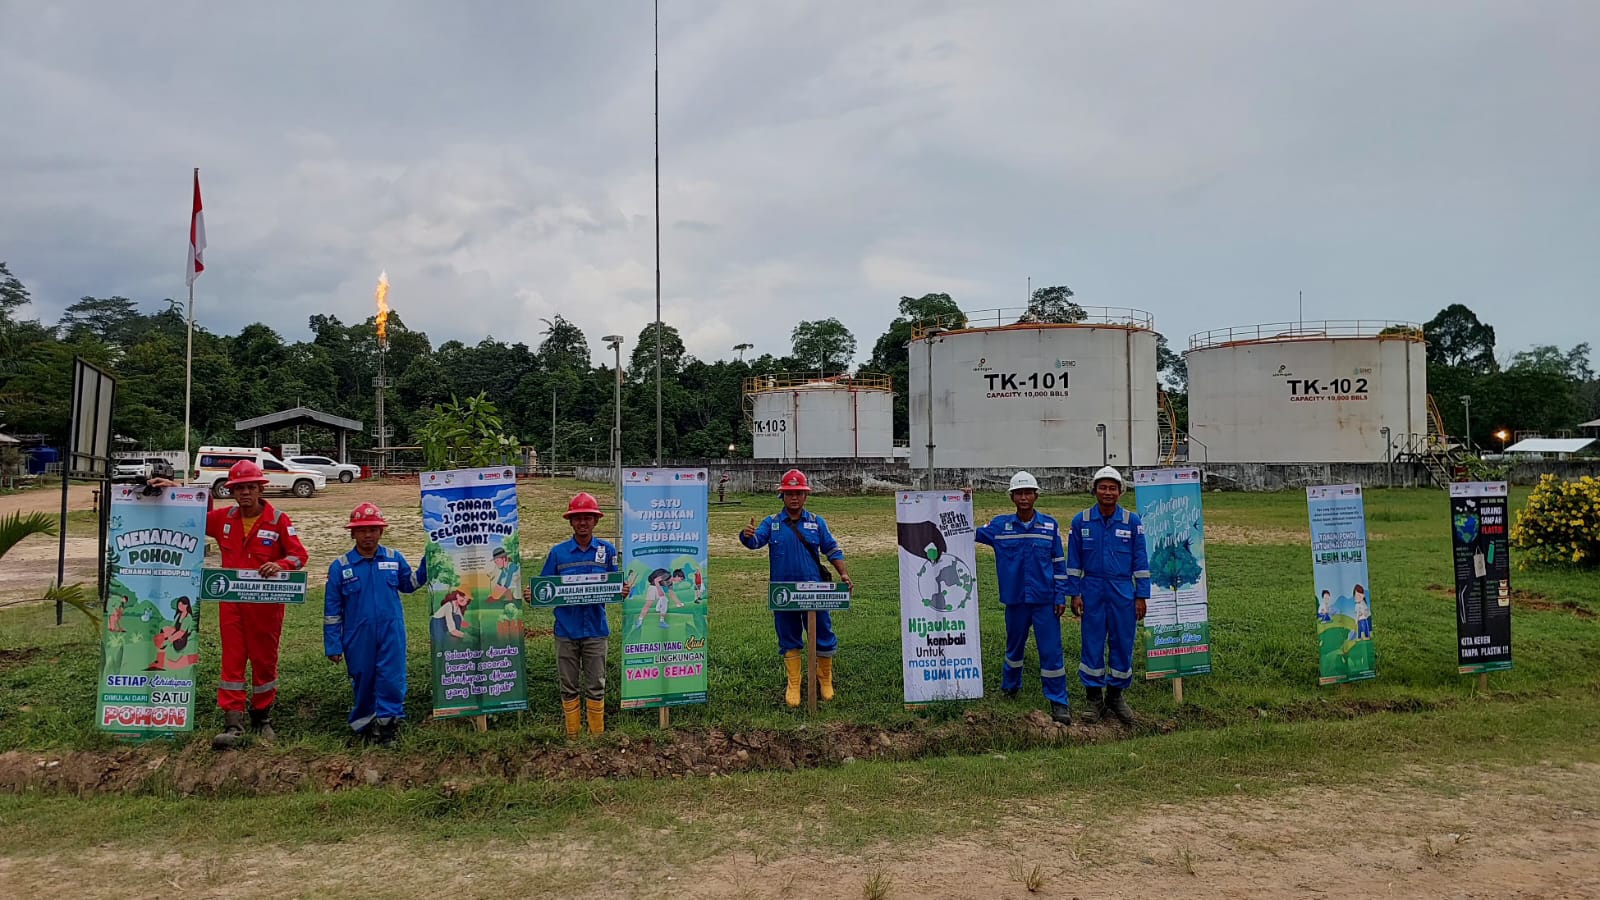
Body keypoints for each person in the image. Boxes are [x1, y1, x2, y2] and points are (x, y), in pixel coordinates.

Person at [152, 460, 310, 748]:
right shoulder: (223, 519)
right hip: (231, 603)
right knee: (233, 659)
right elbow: (195, 511)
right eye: (240, 488)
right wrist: (174, 488)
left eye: (251, 487)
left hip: (266, 605)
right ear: (232, 490)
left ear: (261, 488)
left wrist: (280, 564)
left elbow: (300, 555)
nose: (246, 492)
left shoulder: (278, 520)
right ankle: (233, 723)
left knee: (264, 660)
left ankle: (262, 717)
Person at [739, 468, 852, 707]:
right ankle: (794, 683)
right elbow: (755, 541)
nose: (794, 497)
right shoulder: (771, 523)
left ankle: (825, 678)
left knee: (822, 634)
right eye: (790, 493)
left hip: (815, 593)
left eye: (799, 493)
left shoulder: (816, 523)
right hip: (784, 594)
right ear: (782, 495)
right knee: (788, 636)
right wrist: (746, 536)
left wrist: (843, 573)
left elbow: (832, 549)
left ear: (805, 496)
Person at [324, 503, 426, 747]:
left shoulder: (394, 558)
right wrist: (333, 645)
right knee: (364, 677)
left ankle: (388, 725)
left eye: (373, 529)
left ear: (381, 532)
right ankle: (365, 725)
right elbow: (332, 611)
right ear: (352, 533)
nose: (367, 535)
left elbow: (410, 584)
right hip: (358, 636)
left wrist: (427, 564)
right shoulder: (341, 566)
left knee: (392, 677)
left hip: (392, 632)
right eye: (362, 530)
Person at [975, 471, 1072, 725]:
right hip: (1016, 601)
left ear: (1036, 496)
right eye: (1019, 493)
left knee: (1051, 651)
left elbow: (1059, 564)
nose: (1024, 498)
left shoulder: (1049, 526)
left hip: (1045, 601)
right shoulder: (999, 526)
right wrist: (961, 501)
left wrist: (1061, 596)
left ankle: (1058, 701)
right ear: (1012, 497)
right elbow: (968, 532)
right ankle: (1010, 687)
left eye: (1028, 492)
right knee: (1014, 647)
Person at [1065, 466, 1151, 726]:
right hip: (1091, 589)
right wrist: (1075, 593)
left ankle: (1116, 696)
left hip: (1122, 590)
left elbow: (1140, 560)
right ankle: (1094, 698)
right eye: (1102, 487)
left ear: (1120, 492)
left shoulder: (1131, 521)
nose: (1107, 492)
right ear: (1094, 490)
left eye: (1112, 487)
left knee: (1123, 642)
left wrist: (1141, 596)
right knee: (1091, 642)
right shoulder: (1081, 521)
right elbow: (1073, 562)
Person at [536, 492, 619, 738]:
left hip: (595, 629)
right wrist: (534, 594)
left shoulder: (608, 550)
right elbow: (544, 588)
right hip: (566, 630)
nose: (583, 523)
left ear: (596, 521)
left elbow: (613, 585)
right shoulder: (558, 553)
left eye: (588, 518)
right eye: (577, 518)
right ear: (570, 522)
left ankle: (596, 736)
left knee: (596, 684)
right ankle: (573, 734)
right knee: (568, 685)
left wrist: (621, 590)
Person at [147, 597, 198, 671]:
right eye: (179, 605)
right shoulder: (178, 615)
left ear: (187, 605)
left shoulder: (188, 617)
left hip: (181, 640)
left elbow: (181, 633)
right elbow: (173, 628)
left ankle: (162, 663)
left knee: (164, 643)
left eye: (182, 605)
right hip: (175, 635)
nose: (180, 607)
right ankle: (159, 662)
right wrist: (165, 633)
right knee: (160, 637)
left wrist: (168, 640)